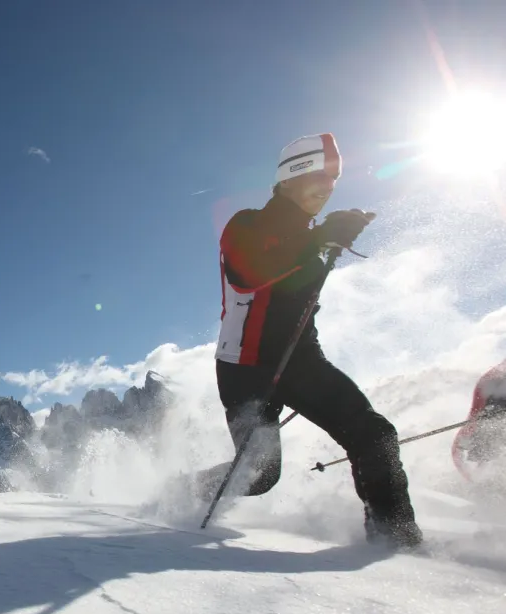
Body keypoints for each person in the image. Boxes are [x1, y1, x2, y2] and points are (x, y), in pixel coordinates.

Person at [197, 133, 423, 548]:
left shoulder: (313, 234)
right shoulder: (245, 224)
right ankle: (186, 492)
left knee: (374, 436)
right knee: (260, 476)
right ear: (290, 177)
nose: (328, 188)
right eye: (319, 176)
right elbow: (248, 272)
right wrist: (318, 240)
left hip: (300, 359)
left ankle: (397, 542)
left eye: (334, 179)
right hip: (244, 367)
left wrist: (326, 239)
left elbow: (297, 293)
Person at [452, 358, 506, 476]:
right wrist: (468, 478)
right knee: (488, 438)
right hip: (490, 411)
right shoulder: (492, 380)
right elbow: (456, 450)